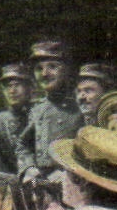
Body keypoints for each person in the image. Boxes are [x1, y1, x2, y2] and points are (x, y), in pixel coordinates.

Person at [15, 40, 84, 182]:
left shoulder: (81, 107)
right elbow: (23, 144)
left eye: (53, 67)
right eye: (38, 68)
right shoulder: (38, 109)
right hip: (41, 184)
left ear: (67, 71)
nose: (44, 74)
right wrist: (29, 167)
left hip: (73, 186)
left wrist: (69, 174)